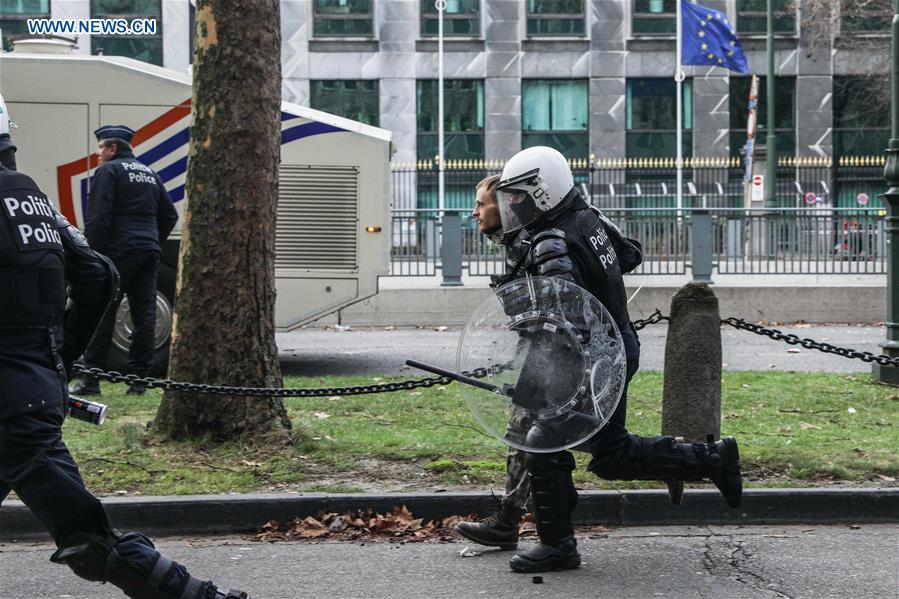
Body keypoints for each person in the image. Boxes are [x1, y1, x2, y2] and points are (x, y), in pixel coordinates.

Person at [0, 99, 249, 598]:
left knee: (90, 537)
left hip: (13, 409)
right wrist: (59, 360)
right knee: (86, 535)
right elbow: (96, 273)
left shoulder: (111, 172)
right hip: (30, 394)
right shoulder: (31, 198)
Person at [489, 146, 742, 574]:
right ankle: (714, 458)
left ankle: (558, 547)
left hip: (587, 359)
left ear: (541, 191)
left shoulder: (551, 236)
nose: (513, 204)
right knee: (610, 454)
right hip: (615, 348)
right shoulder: (588, 219)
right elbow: (629, 255)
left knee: (543, 443)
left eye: (518, 195)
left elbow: (564, 310)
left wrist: (528, 319)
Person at [71, 124, 179, 396]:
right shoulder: (150, 173)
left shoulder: (108, 171)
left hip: (118, 252)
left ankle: (91, 379)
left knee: (103, 311)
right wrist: (152, 239)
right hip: (148, 252)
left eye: (101, 148)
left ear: (113, 148)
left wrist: (91, 255)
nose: (97, 154)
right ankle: (138, 380)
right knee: (145, 315)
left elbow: (98, 217)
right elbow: (169, 215)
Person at [454, 174, 531, 550]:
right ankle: (526, 525)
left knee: (530, 439)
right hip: (543, 359)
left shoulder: (533, 242)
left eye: (481, 204)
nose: (474, 212)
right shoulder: (519, 242)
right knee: (531, 440)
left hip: (556, 363)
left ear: (503, 207)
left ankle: (703, 457)